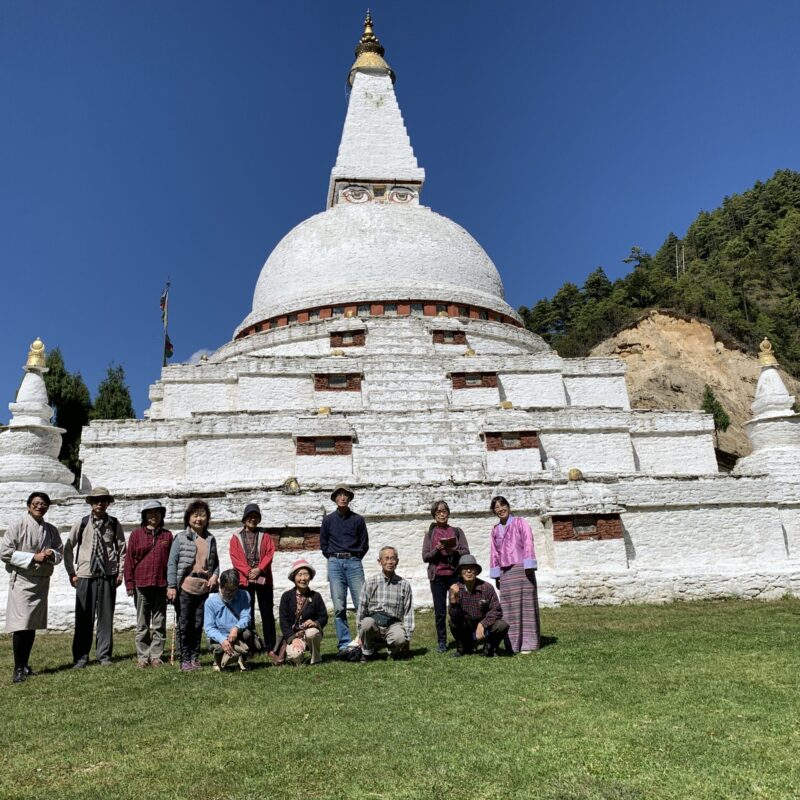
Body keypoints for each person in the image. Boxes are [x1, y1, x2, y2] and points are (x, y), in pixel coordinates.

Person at [1, 492, 63, 683]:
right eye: (35, 503)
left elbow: (59, 553)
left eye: (43, 504)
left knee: (32, 625)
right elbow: (4, 553)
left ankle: (25, 665)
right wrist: (32, 557)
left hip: (41, 582)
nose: (39, 506)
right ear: (29, 506)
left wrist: (51, 554)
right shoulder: (17, 526)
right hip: (22, 581)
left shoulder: (51, 530)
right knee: (21, 625)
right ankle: (18, 668)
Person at [63, 486, 126, 669]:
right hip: (85, 575)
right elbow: (68, 548)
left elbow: (122, 549)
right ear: (91, 503)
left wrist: (120, 572)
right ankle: (81, 657)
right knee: (84, 618)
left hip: (107, 575)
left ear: (107, 503)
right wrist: (71, 573)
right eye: (96, 500)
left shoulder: (113, 523)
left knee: (106, 617)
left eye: (104, 500)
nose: (100, 503)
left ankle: (104, 655)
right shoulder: (82, 523)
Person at [167, 499, 220, 671]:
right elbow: (172, 563)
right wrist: (171, 586)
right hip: (185, 587)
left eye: (202, 515)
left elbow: (215, 562)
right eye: (195, 515)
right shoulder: (181, 538)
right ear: (188, 518)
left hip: (203, 587)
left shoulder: (210, 539)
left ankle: (195, 658)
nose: (199, 519)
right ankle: (185, 659)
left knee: (198, 625)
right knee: (185, 624)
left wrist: (214, 576)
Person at [123, 499, 174, 668]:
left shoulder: (167, 535)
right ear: (144, 516)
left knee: (159, 623)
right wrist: (129, 583)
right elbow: (129, 560)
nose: (153, 516)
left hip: (161, 585)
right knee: (142, 624)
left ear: (162, 515)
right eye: (150, 513)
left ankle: (156, 656)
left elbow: (171, 562)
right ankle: (143, 656)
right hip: (141, 585)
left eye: (157, 513)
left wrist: (171, 584)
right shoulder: (136, 535)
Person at [319, 484, 369, 651]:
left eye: (346, 495)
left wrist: (354, 557)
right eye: (339, 495)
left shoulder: (358, 520)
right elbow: (323, 545)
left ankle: (363, 640)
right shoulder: (328, 520)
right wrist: (334, 558)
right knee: (339, 605)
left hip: (354, 562)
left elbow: (364, 544)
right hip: (334, 563)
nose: (343, 497)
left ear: (349, 499)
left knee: (361, 603)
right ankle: (344, 643)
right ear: (335, 499)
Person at [489, 496, 541, 654]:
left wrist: (529, 565)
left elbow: (528, 542)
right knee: (509, 608)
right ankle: (512, 644)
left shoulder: (520, 522)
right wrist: (497, 574)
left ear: (508, 506)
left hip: (523, 569)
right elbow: (494, 553)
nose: (500, 509)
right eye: (497, 507)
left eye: (503, 505)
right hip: (506, 572)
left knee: (527, 606)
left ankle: (529, 644)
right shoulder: (495, 530)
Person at [421, 499, 470, 653]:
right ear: (434, 515)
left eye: (444, 511)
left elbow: (466, 551)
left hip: (454, 575)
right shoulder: (430, 534)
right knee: (440, 611)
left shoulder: (456, 531)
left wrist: (453, 550)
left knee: (457, 608)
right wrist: (437, 549)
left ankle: (461, 640)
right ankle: (442, 641)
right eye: (438, 512)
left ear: (448, 513)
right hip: (437, 577)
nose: (441, 514)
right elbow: (425, 557)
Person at [229, 502, 276, 653]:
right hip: (245, 579)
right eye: (250, 516)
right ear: (244, 519)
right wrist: (249, 571)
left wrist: (259, 569)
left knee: (267, 612)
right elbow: (235, 557)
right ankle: (251, 645)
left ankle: (271, 646)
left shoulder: (265, 536)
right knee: (246, 613)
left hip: (263, 579)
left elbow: (269, 553)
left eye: (256, 517)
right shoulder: (236, 537)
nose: (253, 519)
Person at [357, 546, 414, 662]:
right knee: (367, 623)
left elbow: (408, 612)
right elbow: (362, 608)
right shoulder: (371, 582)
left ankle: (392, 650)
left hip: (393, 624)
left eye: (393, 559)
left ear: (397, 561)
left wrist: (407, 639)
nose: (389, 562)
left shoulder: (404, 584)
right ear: (380, 562)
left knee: (400, 638)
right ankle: (368, 652)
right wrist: (359, 634)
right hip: (375, 624)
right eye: (386, 558)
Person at [448, 554, 509, 657]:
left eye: (472, 568)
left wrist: (482, 624)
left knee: (502, 625)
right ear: (460, 572)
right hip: (466, 625)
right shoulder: (455, 589)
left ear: (476, 571)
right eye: (465, 568)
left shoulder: (487, 587)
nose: (468, 571)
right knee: (452, 622)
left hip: (484, 625)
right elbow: (454, 617)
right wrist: (453, 598)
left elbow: (497, 611)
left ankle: (490, 646)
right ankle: (462, 648)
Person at [277, 558, 328, 666]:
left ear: (310, 577)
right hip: (295, 634)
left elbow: (323, 616)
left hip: (309, 634)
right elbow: (284, 621)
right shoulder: (286, 597)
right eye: (299, 575)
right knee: (296, 655)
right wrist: (292, 638)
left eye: (306, 574)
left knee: (312, 633)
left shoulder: (316, 596)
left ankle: (316, 658)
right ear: (294, 577)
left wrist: (315, 623)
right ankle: (298, 654)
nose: (303, 578)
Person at [203, 568, 252, 672]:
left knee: (247, 634)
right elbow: (209, 627)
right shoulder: (210, 602)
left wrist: (236, 628)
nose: (231, 593)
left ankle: (243, 658)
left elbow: (246, 617)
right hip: (219, 635)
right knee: (219, 648)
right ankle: (218, 660)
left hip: (237, 633)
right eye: (227, 589)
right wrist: (222, 640)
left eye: (234, 590)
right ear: (221, 586)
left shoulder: (244, 595)